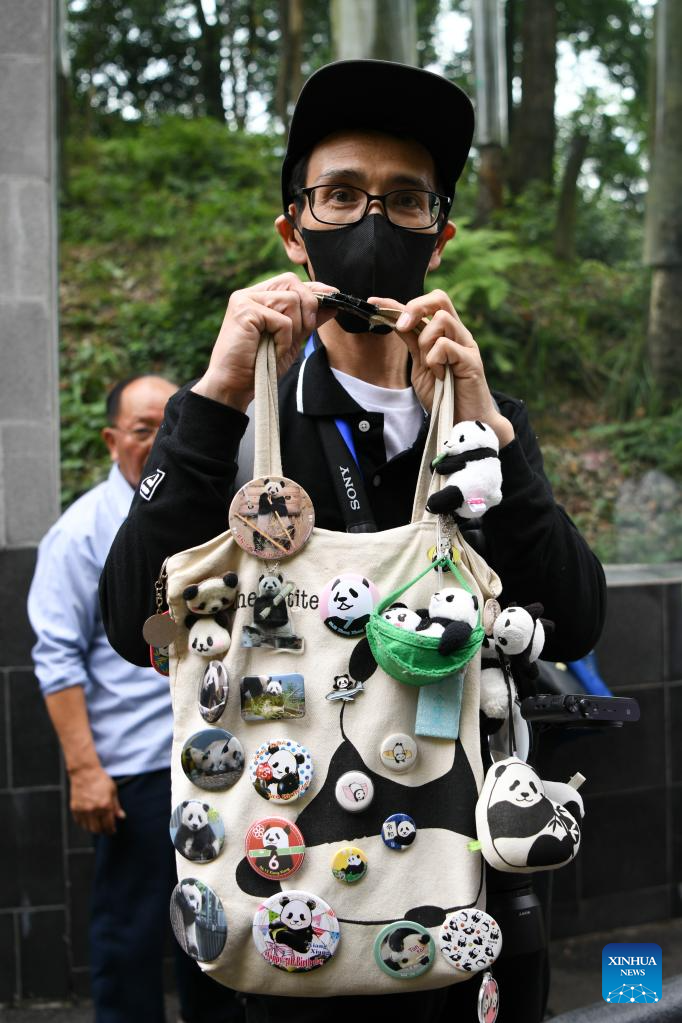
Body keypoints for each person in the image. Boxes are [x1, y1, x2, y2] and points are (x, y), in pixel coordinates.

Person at [99, 61, 606, 1023]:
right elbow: (137, 623)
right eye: (341, 193)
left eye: (405, 199)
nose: (373, 220)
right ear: (295, 228)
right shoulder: (244, 427)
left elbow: (576, 617)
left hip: (458, 913)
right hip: (268, 907)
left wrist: (490, 432)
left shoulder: (482, 428)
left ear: (439, 236)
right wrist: (209, 401)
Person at [28, 375, 243, 1023]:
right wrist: (84, 769)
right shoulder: (80, 533)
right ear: (111, 438)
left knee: (216, 931)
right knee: (129, 934)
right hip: (137, 774)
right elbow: (56, 657)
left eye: (165, 428)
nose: (154, 442)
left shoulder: (213, 514)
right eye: (142, 429)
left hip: (215, 769)